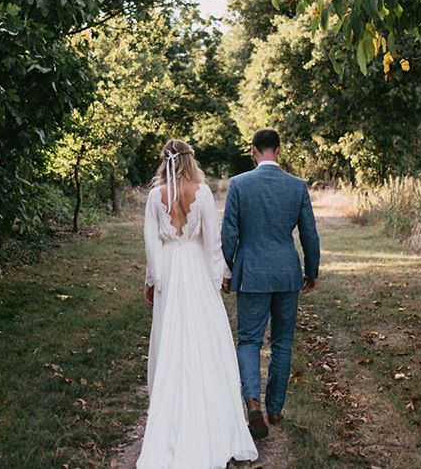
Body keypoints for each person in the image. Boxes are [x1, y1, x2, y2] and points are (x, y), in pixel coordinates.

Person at [137, 139, 258, 469]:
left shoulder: (154, 196)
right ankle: (210, 411)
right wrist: (217, 275)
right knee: (206, 341)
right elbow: (212, 241)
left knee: (171, 339)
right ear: (190, 160)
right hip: (195, 269)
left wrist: (153, 279)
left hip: (171, 271)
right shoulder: (202, 192)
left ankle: (173, 408)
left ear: (165, 161)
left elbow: (152, 243)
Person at [221, 128, 320, 440]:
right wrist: (311, 270)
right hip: (287, 273)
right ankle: (275, 407)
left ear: (253, 150)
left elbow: (228, 235)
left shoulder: (239, 184)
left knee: (249, 341)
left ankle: (252, 402)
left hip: (252, 273)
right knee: (282, 341)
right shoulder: (297, 186)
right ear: (279, 150)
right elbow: (309, 234)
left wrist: (232, 267)